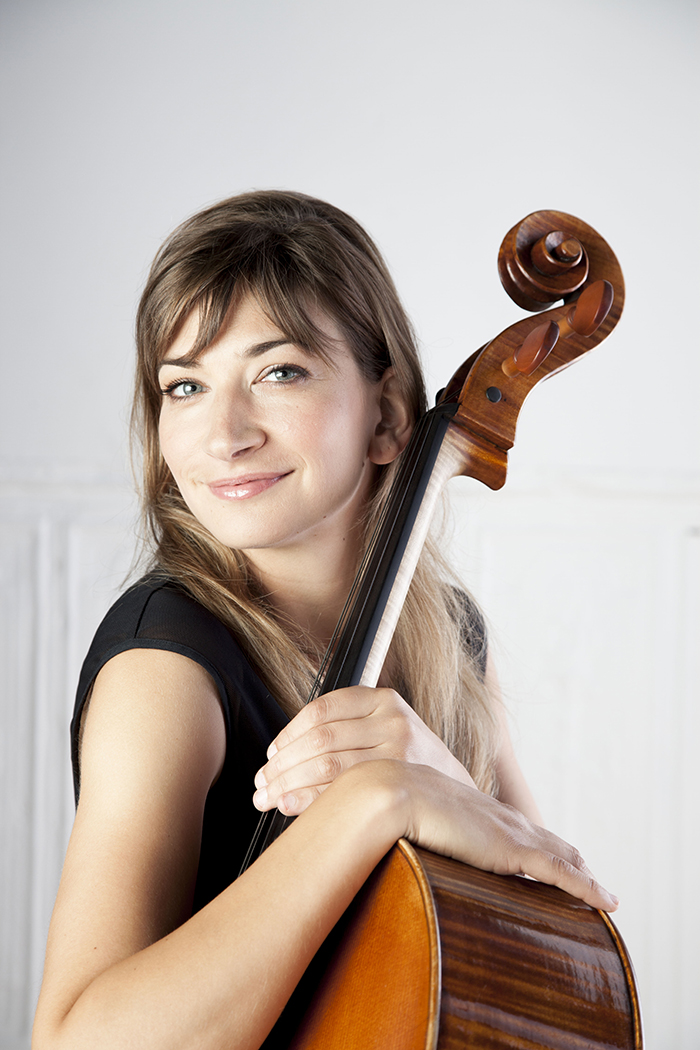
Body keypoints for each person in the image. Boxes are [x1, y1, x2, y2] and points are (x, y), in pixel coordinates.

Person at [32, 190, 617, 1050]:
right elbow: (76, 1040)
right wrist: (379, 798)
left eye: (279, 372)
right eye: (185, 386)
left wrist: (439, 773)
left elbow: (561, 947)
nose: (224, 434)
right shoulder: (165, 664)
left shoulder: (451, 636)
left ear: (387, 415)